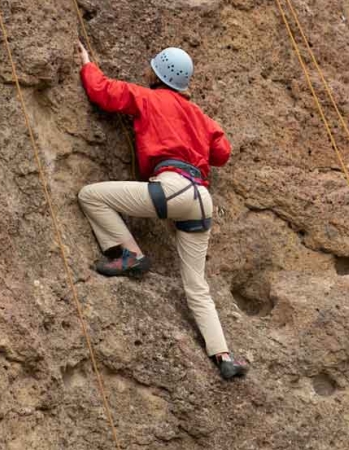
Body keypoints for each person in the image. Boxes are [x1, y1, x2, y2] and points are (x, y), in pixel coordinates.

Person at [74, 41, 248, 379]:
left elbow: (102, 92)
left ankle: (129, 254)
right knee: (197, 285)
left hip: (171, 188)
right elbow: (223, 153)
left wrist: (86, 64)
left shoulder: (147, 97)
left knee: (91, 195)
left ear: (156, 72)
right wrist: (201, 129)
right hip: (201, 197)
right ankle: (223, 356)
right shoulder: (199, 115)